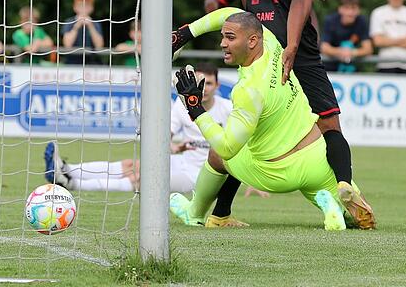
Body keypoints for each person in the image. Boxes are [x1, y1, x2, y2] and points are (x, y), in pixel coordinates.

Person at [172, 0, 372, 228]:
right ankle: (344, 187)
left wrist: (217, 4)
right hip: (297, 48)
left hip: (257, 43)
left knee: (245, 131)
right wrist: (294, 44)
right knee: (328, 124)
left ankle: (217, 213)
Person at [170, 9, 374, 230]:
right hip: (316, 155)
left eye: (230, 38)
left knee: (219, 155)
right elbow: (232, 14)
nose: (222, 43)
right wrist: (185, 33)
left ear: (252, 41)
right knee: (364, 221)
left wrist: (195, 108)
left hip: (276, 171)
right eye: (223, 36)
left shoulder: (248, 90)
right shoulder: (272, 42)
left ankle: (195, 214)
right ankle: (333, 209)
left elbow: (227, 147)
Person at [43, 62, 269, 225]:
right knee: (134, 164)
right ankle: (67, 170)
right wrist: (173, 148)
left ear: (218, 85)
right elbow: (165, 139)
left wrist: (252, 180)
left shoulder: (228, 108)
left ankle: (72, 184)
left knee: (144, 178)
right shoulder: (182, 106)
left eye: (209, 83)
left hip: (198, 175)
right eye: (200, 82)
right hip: (182, 161)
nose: (204, 87)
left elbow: (247, 143)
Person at [320, 0, 373, 72]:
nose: (350, 12)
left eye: (354, 8)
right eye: (347, 8)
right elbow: (324, 48)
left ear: (359, 10)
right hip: (329, 67)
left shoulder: (361, 21)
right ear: (340, 9)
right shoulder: (331, 21)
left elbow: (368, 49)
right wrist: (341, 51)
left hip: (352, 67)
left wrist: (352, 52)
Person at [60, 0, 105, 64]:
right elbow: (67, 45)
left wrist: (91, 26)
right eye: (81, 5)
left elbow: (99, 46)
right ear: (75, 7)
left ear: (91, 8)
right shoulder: (69, 22)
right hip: (72, 62)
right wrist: (76, 26)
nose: (83, 8)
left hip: (92, 62)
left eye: (87, 6)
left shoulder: (95, 23)